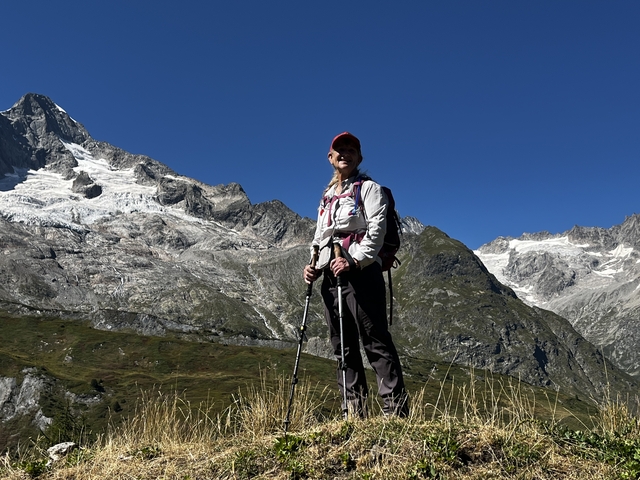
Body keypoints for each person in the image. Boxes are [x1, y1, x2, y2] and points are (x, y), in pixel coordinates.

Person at [303, 131, 409, 418]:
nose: (344, 154)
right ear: (330, 157)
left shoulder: (370, 189)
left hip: (361, 274)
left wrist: (355, 261)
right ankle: (353, 413)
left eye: (351, 150)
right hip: (330, 276)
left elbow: (377, 232)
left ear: (359, 158)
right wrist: (312, 264)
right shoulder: (327, 197)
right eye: (339, 150)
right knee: (343, 346)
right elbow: (319, 236)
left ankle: (395, 414)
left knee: (375, 342)